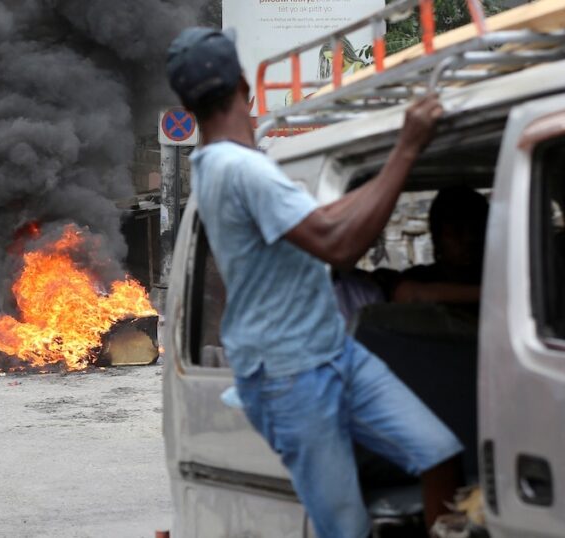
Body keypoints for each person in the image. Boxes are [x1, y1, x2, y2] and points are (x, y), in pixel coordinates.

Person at [167, 28, 462, 537]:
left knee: (438, 453)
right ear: (244, 84)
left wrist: (385, 169)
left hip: (332, 351)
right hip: (289, 377)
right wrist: (407, 148)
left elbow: (319, 221)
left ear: (186, 104)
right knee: (344, 529)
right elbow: (338, 244)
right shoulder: (240, 169)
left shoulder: (224, 166)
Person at [391, 186, 489, 305]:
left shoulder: (501, 277)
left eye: (476, 230)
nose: (469, 239)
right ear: (437, 237)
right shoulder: (420, 277)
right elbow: (408, 294)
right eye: (457, 232)